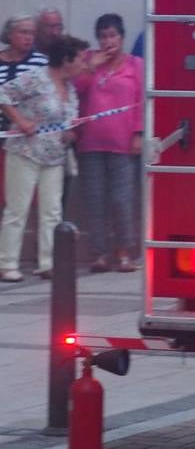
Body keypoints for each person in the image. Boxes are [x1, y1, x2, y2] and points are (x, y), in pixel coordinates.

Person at [0, 35, 94, 281]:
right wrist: (20, 121)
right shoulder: (36, 78)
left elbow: (64, 121)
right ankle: (7, 262)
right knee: (17, 209)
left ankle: (48, 262)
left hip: (54, 155)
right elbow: (4, 94)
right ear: (66, 60)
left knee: (52, 211)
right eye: (81, 59)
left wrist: (68, 133)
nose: (84, 64)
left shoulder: (71, 89)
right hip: (25, 151)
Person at [73, 14, 144, 273]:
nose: (108, 41)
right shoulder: (89, 61)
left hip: (123, 143)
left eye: (113, 35)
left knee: (122, 200)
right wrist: (91, 67)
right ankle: (99, 254)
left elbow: (141, 101)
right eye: (103, 36)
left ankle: (125, 252)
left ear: (122, 37)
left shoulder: (136, 65)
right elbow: (75, 90)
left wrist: (139, 133)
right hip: (90, 143)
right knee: (95, 200)